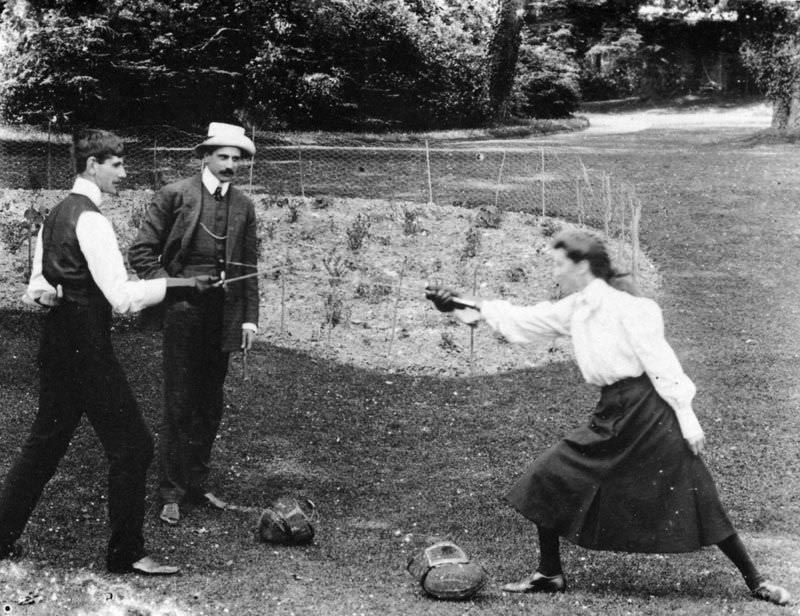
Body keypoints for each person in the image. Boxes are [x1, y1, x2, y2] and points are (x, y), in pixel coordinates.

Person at [426, 229, 791, 606]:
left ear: (582, 266)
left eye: (559, 264)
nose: (555, 273)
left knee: (696, 491)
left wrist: (687, 417)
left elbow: (660, 361)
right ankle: (549, 573)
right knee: (548, 475)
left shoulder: (631, 308)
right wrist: (460, 305)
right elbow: (528, 319)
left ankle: (757, 580)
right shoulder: (578, 307)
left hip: (649, 412)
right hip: (612, 409)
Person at [0, 129, 215, 575]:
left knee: (45, 443)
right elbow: (122, 296)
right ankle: (126, 553)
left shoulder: (57, 213)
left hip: (56, 343)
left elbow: (37, 289)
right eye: (116, 163)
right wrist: (182, 284)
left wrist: (61, 292)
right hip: (85, 348)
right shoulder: (92, 219)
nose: (124, 171)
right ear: (92, 165)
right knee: (133, 447)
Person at [128, 122, 259, 526]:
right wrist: (177, 287)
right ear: (205, 156)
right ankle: (170, 492)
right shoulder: (174, 196)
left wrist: (250, 320)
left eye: (238, 158)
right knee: (179, 402)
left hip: (224, 316)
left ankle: (197, 483)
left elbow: (248, 267)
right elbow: (141, 253)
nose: (231, 164)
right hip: (183, 313)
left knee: (210, 404)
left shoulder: (243, 207)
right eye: (223, 156)